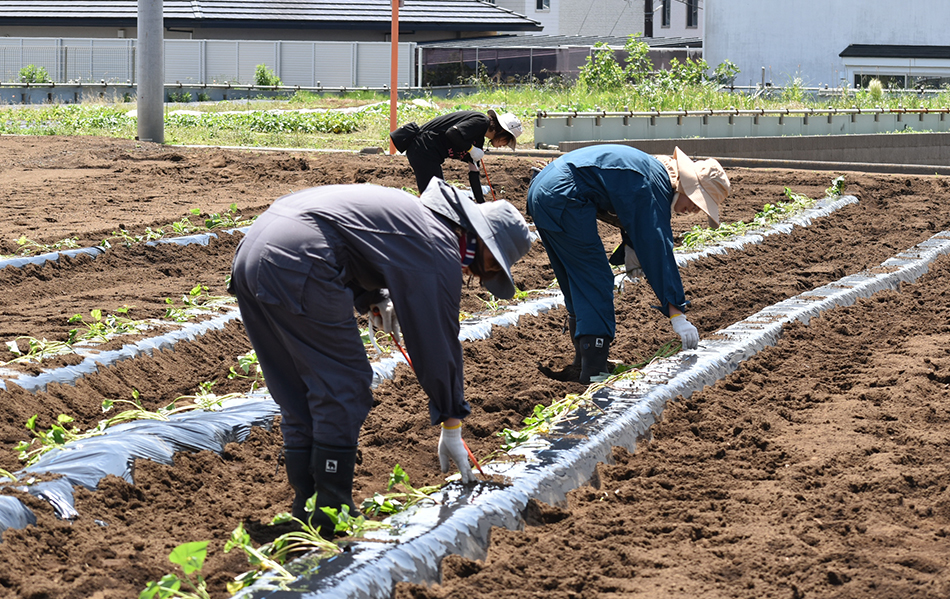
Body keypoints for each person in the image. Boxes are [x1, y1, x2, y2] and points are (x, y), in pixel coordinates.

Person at [230, 178, 533, 531]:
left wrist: (372, 297)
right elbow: (435, 342)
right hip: (301, 258)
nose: (479, 276)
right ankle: (333, 511)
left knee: (298, 388)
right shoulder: (440, 244)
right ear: (482, 240)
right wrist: (452, 419)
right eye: (491, 266)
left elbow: (354, 239)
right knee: (344, 384)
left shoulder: (417, 217)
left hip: (254, 252)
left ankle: (308, 506)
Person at [526, 143, 731, 383]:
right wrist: (677, 314)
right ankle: (594, 373)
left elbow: (624, 206)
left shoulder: (651, 170)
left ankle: (583, 362)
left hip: (545, 189)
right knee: (595, 280)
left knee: (576, 278)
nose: (695, 211)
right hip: (564, 194)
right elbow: (657, 247)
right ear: (687, 185)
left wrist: (631, 245)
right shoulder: (655, 184)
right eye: (698, 202)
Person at [389, 109, 523, 203]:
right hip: (423, 148)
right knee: (433, 197)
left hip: (430, 154)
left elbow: (474, 172)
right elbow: (452, 133)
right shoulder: (481, 122)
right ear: (502, 132)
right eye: (507, 141)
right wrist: (470, 149)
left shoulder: (479, 140)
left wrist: (482, 204)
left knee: (435, 195)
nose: (504, 145)